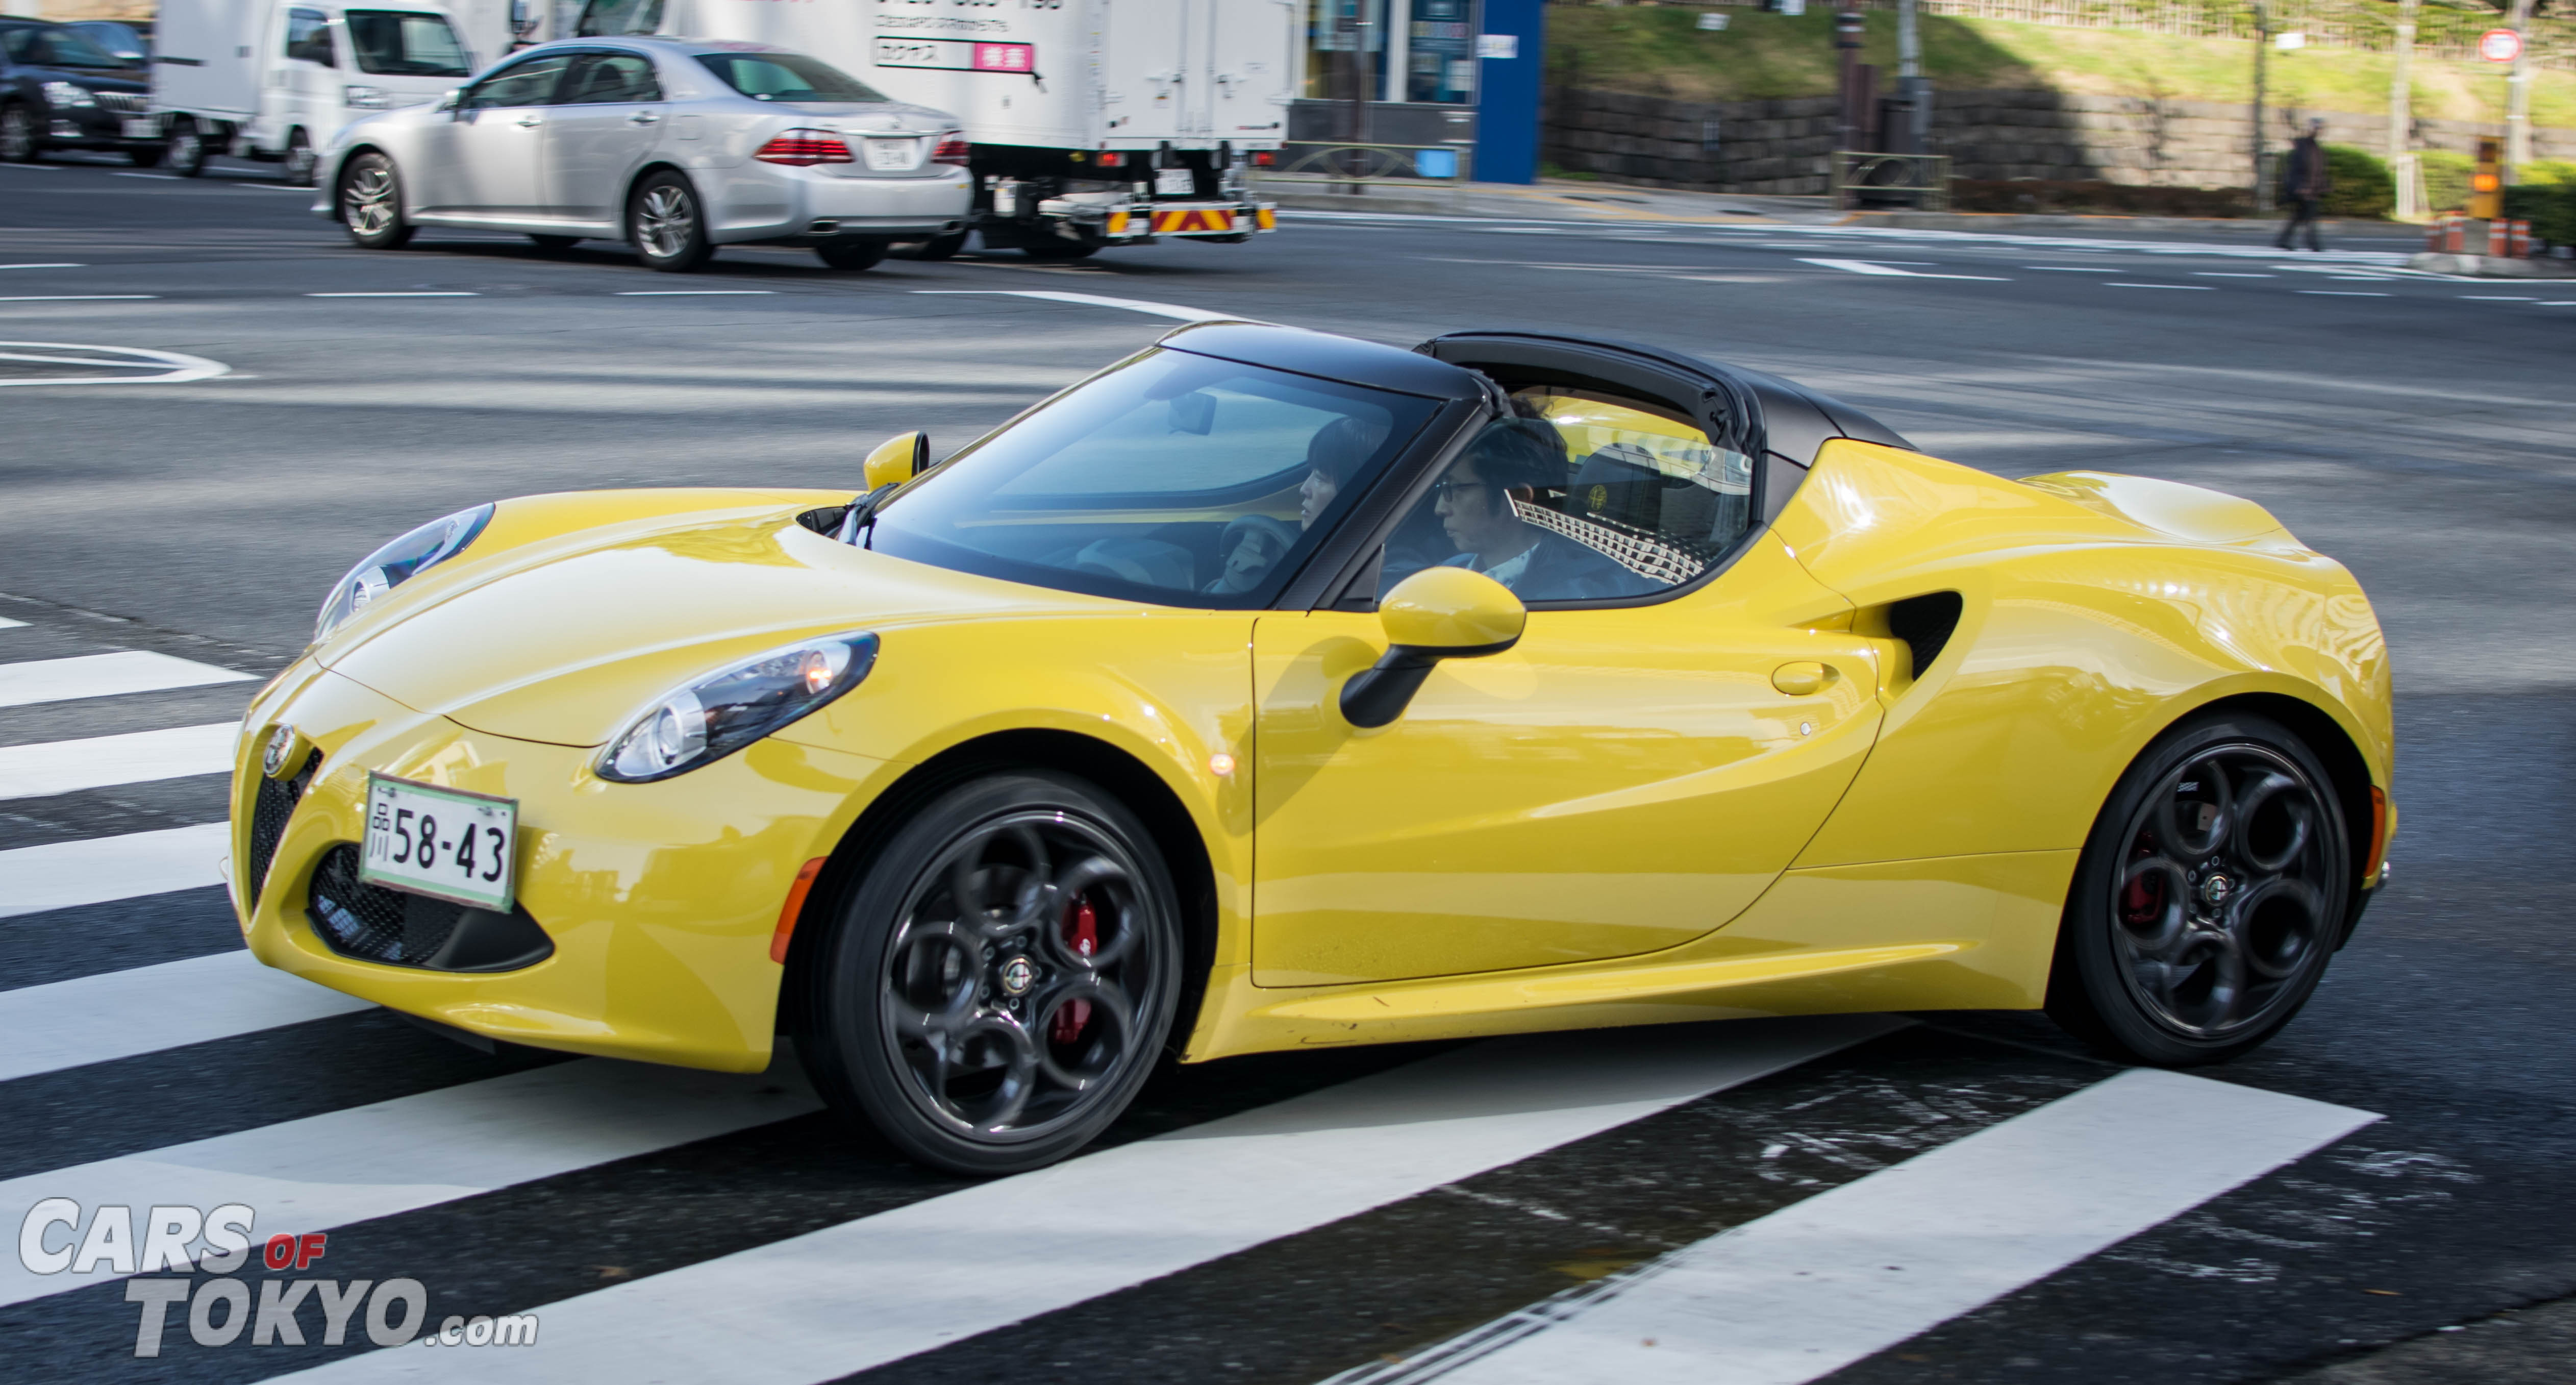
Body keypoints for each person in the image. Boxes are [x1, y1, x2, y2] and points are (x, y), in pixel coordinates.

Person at [1426, 419, 1650, 601]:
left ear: (1519, 499)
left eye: (1454, 489)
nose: (1440, 508)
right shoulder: (1449, 571)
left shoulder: (1574, 598)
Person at [2276, 120, 2333, 252]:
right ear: (2309, 129)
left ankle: (2282, 241)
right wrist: (2300, 186)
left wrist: (2323, 185)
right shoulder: (2303, 148)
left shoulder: (2316, 148)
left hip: (2312, 190)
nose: (2318, 131)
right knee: (2310, 217)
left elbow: (2319, 170)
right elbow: (2295, 170)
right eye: (2316, 128)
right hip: (2304, 190)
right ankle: (2314, 245)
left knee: (2298, 217)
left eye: (2320, 129)